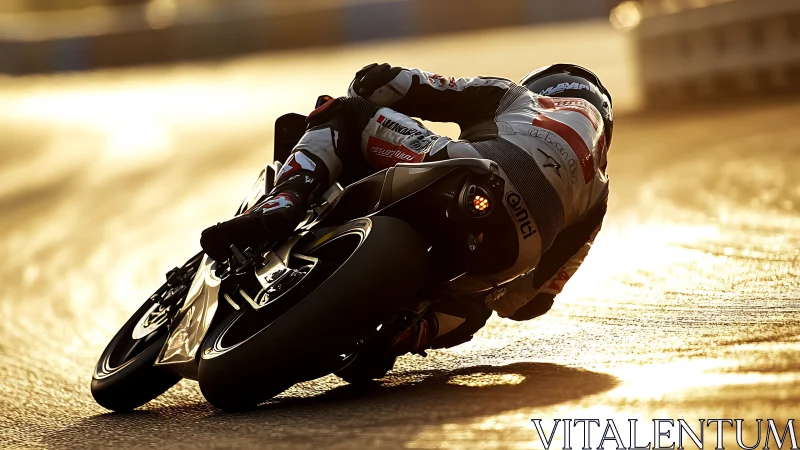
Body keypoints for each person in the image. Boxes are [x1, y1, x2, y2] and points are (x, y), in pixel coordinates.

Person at [200, 63, 612, 375]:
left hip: (470, 171)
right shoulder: (598, 194)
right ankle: (406, 333)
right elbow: (529, 303)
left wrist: (370, 82)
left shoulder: (516, 96)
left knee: (345, 111)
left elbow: (397, 85)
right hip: (513, 250)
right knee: (477, 307)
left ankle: (283, 203)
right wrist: (490, 293)